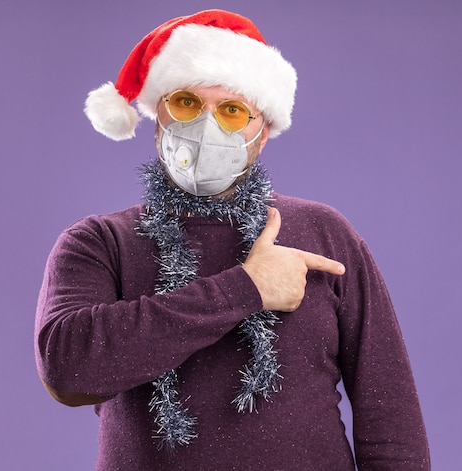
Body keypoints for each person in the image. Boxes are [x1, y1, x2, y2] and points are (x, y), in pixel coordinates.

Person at [35, 9, 430, 470]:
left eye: (231, 111)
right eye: (185, 102)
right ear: (157, 116)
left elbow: (390, 413)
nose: (206, 126)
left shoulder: (324, 233)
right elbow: (68, 372)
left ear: (261, 135)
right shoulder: (99, 242)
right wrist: (247, 287)